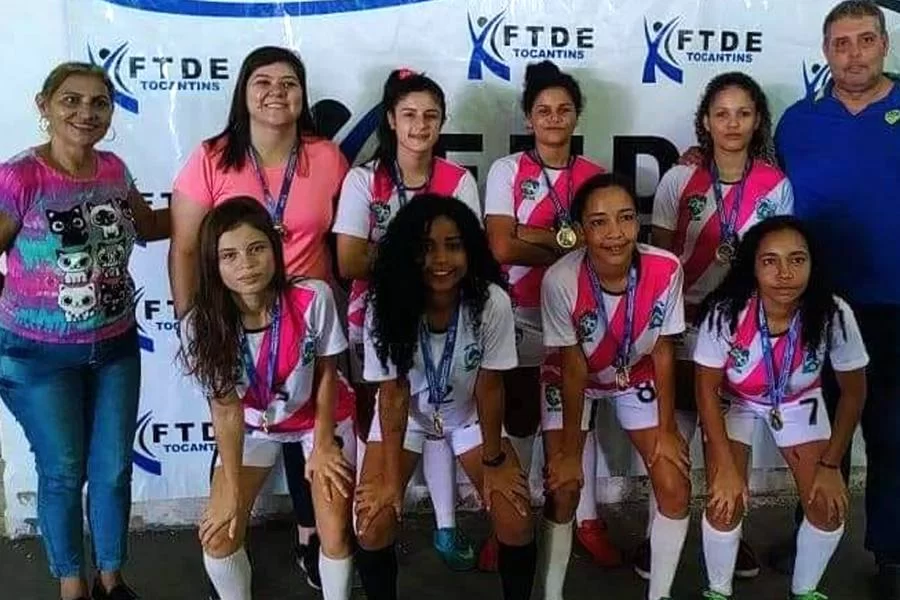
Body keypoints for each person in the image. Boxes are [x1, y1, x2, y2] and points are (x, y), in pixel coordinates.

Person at [169, 45, 349, 590]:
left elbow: (343, 239)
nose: (276, 92)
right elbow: (185, 247)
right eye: (262, 81)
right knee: (246, 426)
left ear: (303, 94)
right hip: (238, 319)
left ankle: (310, 537)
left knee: (313, 444)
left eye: (289, 82)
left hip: (307, 319)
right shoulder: (212, 157)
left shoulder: (326, 157)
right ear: (243, 91)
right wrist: (194, 322)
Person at [0, 62, 169, 600]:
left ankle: (111, 580)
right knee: (63, 472)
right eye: (71, 100)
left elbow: (151, 226)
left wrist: (211, 205)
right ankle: (72, 586)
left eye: (99, 102)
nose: (86, 112)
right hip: (36, 359)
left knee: (114, 469)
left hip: (116, 348)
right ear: (44, 105)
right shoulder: (20, 177)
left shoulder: (114, 170)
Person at [644, 70, 794, 580]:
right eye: (722, 113)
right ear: (705, 121)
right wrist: (666, 329)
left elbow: (777, 262)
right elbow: (660, 262)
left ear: (758, 121)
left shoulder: (775, 185)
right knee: (671, 447)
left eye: (743, 114)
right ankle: (655, 540)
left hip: (741, 335)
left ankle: (730, 535)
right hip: (683, 328)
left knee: (728, 449)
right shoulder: (679, 179)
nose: (732, 124)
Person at [332, 68, 482, 570]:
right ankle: (371, 521)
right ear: (392, 120)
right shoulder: (363, 179)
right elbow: (349, 260)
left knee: (440, 406)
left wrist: (395, 258)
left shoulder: (458, 180)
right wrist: (426, 260)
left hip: (448, 318)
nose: (420, 125)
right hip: (375, 322)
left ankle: (446, 526)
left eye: (431, 116)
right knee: (378, 420)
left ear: (441, 123)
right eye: (410, 114)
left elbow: (469, 257)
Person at [774, 2, 900, 594]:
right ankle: (813, 531)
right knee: (817, 431)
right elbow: (764, 189)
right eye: (842, 43)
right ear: (826, 51)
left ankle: (892, 551)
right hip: (815, 305)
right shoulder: (797, 122)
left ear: (885, 44)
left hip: (893, 304)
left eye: (865, 40)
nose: (854, 54)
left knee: (892, 431)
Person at [354, 195, 536, 600]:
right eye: (426, 247)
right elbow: (393, 394)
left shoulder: (491, 301)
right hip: (408, 419)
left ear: (470, 250)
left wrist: (493, 462)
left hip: (469, 415)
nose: (440, 259)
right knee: (372, 524)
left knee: (517, 518)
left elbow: (490, 385)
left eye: (453, 246)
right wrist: (390, 481)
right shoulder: (384, 305)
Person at [180, 197, 356, 600]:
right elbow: (226, 410)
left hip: (317, 420)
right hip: (252, 425)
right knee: (220, 535)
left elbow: (328, 372)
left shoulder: (313, 297)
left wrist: (323, 444)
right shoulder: (199, 325)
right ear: (213, 263)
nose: (246, 264)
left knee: (334, 532)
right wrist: (231, 489)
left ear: (275, 250)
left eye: (256, 248)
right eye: (229, 256)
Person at [483, 60, 617, 570]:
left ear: (577, 115)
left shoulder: (594, 176)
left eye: (564, 109)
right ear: (529, 117)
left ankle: (586, 520)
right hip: (519, 314)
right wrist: (567, 242)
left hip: (579, 317)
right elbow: (500, 246)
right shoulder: (507, 171)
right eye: (544, 110)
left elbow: (603, 248)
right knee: (518, 420)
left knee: (577, 423)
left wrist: (530, 235)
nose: (554, 118)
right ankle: (510, 520)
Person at [694, 216, 867, 600]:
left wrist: (831, 466)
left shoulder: (834, 313)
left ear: (812, 264)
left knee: (829, 507)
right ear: (753, 266)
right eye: (770, 261)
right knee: (724, 503)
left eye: (797, 260)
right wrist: (724, 465)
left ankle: (804, 591)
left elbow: (854, 393)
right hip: (735, 400)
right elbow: (705, 388)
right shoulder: (726, 312)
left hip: (796, 402)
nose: (785, 273)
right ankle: (718, 591)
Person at [538, 173, 689, 600]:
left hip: (634, 372)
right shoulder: (560, 279)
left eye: (625, 218)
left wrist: (667, 429)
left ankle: (659, 595)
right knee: (564, 490)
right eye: (599, 222)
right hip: (573, 379)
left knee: (675, 484)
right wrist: (569, 452)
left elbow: (663, 350)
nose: (615, 233)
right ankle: (550, 594)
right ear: (580, 230)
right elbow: (571, 366)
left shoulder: (666, 268)